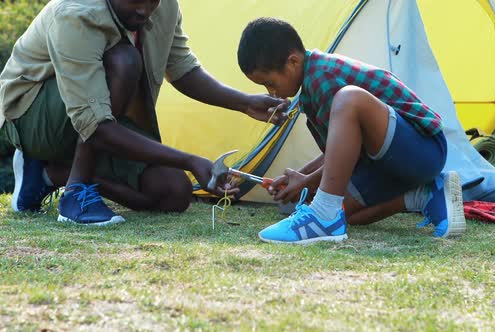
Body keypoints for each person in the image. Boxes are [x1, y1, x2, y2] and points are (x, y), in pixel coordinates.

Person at [0, 1, 288, 226]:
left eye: (153, 0)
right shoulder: (74, 14)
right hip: (32, 118)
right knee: (124, 60)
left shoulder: (163, 7)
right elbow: (95, 125)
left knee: (173, 191)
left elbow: (183, 69)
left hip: (96, 116)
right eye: (136, 0)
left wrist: (245, 103)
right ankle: (76, 194)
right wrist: (190, 159)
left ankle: (53, 173)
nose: (145, 9)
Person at [237, 17, 466, 244]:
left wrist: (308, 182)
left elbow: (353, 156)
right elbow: (341, 150)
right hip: (390, 163)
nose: (271, 93)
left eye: (270, 83)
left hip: (423, 150)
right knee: (345, 212)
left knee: (349, 99)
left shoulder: (322, 77)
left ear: (293, 62)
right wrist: (304, 177)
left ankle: (323, 215)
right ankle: (422, 194)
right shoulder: (309, 88)